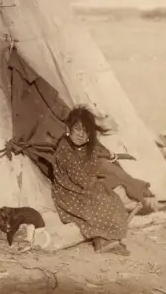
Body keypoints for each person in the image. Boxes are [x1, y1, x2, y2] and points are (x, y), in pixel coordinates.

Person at [52, 105, 132, 256]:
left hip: (83, 185)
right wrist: (97, 182)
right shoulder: (65, 150)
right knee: (99, 201)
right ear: (68, 128)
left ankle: (110, 238)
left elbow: (96, 152)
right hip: (69, 190)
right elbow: (79, 178)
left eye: (86, 131)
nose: (81, 135)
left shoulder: (86, 145)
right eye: (77, 129)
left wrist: (107, 156)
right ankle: (102, 241)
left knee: (111, 199)